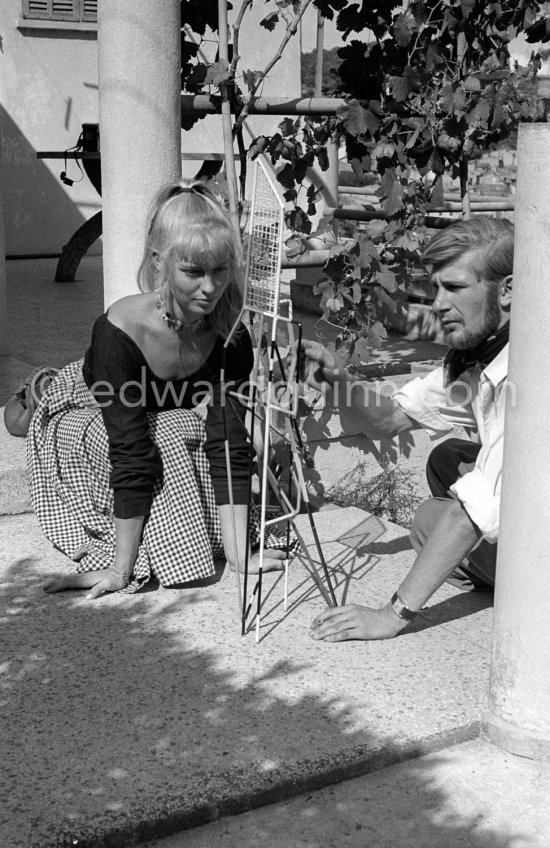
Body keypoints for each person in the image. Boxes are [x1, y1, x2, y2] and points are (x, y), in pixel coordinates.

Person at [27, 181, 286, 600]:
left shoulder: (230, 330)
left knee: (190, 433)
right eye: (193, 272)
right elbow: (129, 449)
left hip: (168, 407)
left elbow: (229, 438)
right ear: (159, 263)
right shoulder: (120, 329)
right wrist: (120, 571)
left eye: (220, 270)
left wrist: (239, 555)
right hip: (95, 407)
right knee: (158, 442)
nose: (210, 287)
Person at [303, 216, 513, 642]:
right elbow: (390, 421)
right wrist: (337, 380)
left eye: (453, 288)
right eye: (435, 288)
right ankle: (482, 565)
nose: (437, 303)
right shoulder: (485, 352)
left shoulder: (523, 376)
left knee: (428, 521)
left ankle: (511, 581)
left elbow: (473, 510)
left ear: (507, 290)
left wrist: (392, 614)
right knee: (447, 457)